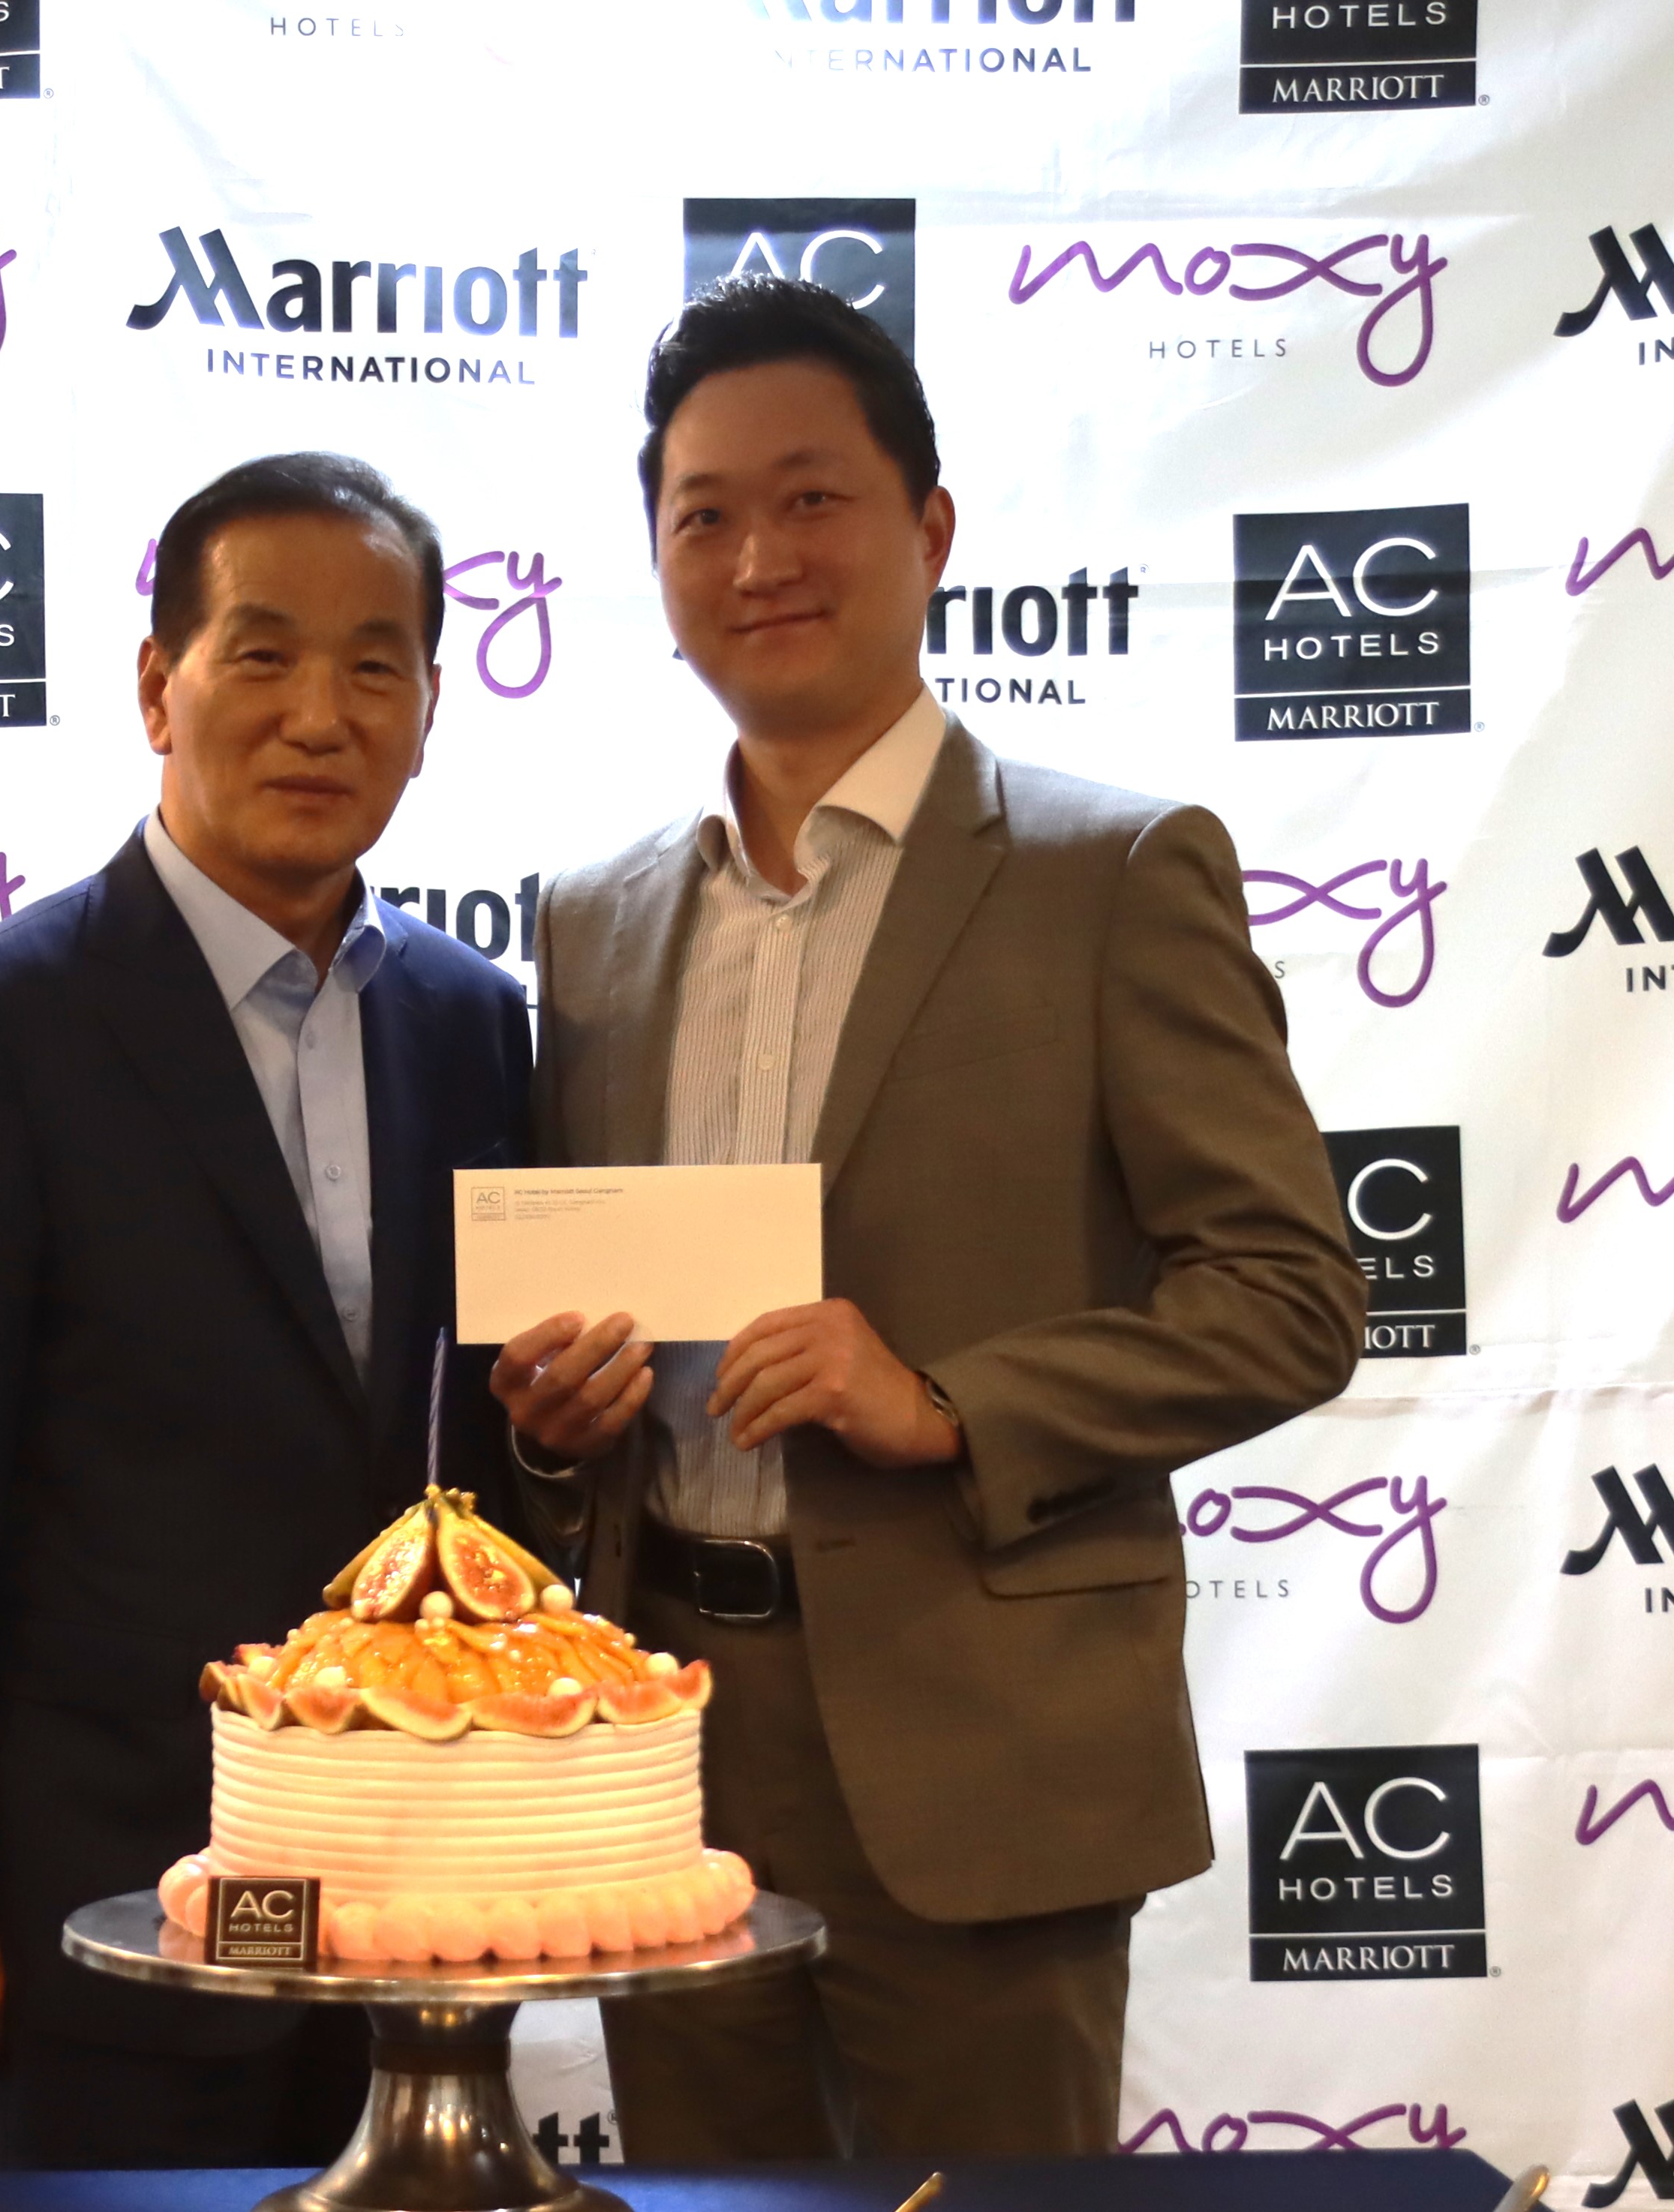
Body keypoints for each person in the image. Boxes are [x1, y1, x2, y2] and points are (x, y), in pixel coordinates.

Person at [490, 276, 1366, 2160]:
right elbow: (593, 1332)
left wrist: (953, 1402)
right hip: (670, 1742)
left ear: (932, 527)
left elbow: (1293, 1294)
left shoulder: (1111, 872)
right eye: (705, 515)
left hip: (985, 1745)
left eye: (812, 498)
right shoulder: (593, 919)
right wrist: (559, 1429)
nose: (758, 558)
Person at [0, 452, 530, 2168]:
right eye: (262, 654)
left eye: (375, 666)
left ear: (431, 710)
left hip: (414, 1890)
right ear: (159, 686)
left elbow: (488, 1445)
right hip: (107, 1892)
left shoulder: (472, 1023)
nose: (319, 715)